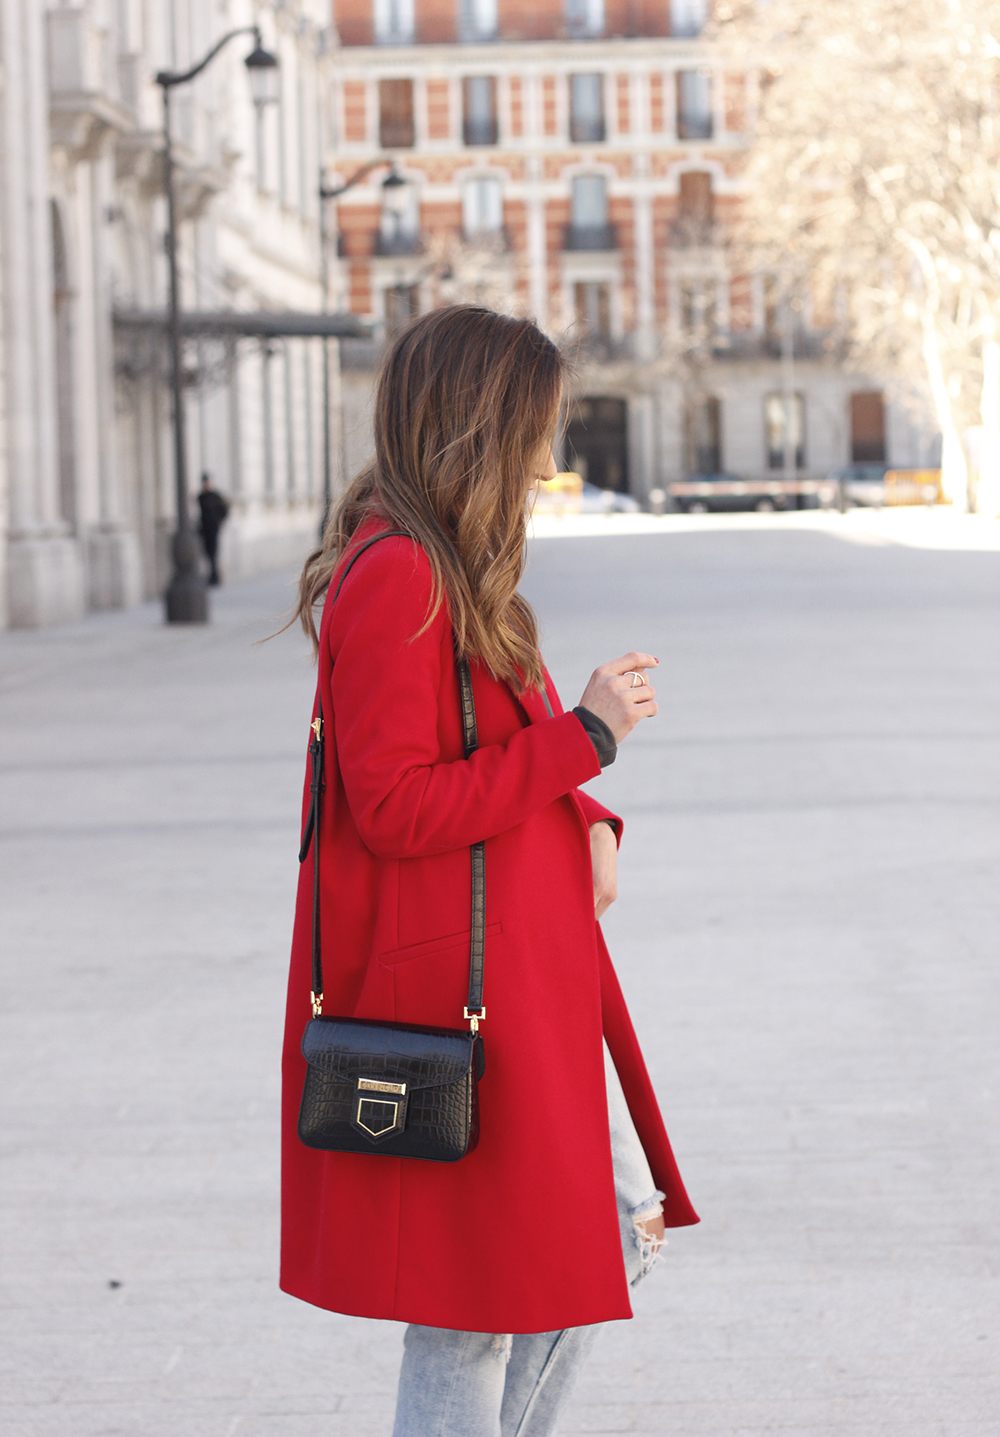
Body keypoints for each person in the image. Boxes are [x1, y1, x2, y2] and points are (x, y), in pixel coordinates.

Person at [280, 305, 698, 1437]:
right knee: (473, 1308)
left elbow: (477, 747)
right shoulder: (398, 579)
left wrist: (589, 810)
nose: (549, 463)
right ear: (479, 429)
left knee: (594, 1246)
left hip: (518, 979)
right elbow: (396, 801)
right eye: (535, 432)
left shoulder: (444, 567)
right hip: (458, 1001)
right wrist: (588, 737)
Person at [197, 472, 229, 585]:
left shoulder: (216, 496)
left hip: (213, 529)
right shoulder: (201, 497)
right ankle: (212, 576)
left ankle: (215, 577)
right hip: (204, 530)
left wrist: (219, 522)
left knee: (213, 553)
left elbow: (225, 510)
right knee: (207, 553)